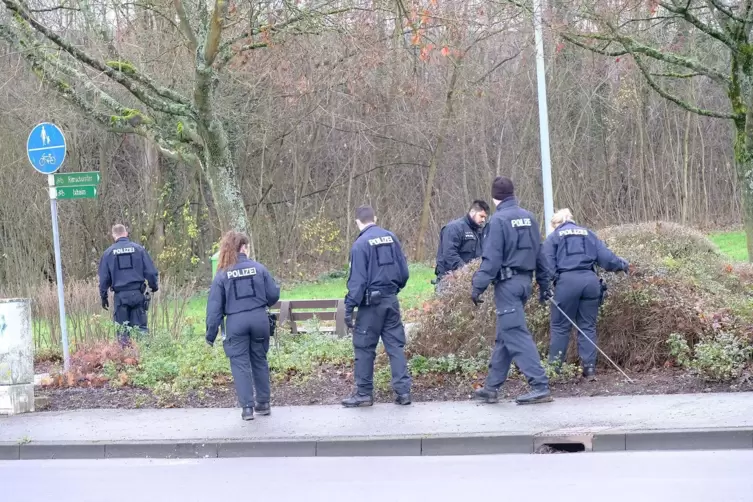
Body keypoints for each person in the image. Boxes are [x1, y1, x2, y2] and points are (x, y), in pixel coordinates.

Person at [470, 176, 553, 405]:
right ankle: (491, 387)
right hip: (524, 283)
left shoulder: (498, 221)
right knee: (505, 335)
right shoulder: (529, 217)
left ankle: (539, 385)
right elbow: (540, 255)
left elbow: (492, 259)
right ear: (513, 194)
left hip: (507, 285)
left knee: (515, 333)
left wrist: (477, 286)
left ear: (494, 197)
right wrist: (545, 285)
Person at [540, 208, 629, 380]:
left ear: (556, 224)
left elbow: (546, 264)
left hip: (566, 284)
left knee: (560, 327)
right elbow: (607, 259)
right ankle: (589, 370)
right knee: (587, 326)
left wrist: (547, 285)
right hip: (590, 282)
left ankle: (553, 371)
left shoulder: (554, 238)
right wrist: (622, 264)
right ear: (572, 220)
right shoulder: (588, 234)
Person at [205, 231, 280, 421]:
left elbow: (214, 307)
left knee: (240, 364)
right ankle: (263, 403)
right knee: (260, 360)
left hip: (235, 322)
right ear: (244, 248)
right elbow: (273, 295)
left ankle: (247, 408)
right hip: (259, 320)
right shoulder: (259, 268)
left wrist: (210, 335)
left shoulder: (222, 274)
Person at [341, 205, 412, 408]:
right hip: (390, 300)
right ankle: (403, 392)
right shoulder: (391, 238)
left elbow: (357, 281)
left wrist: (349, 307)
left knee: (364, 347)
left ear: (357, 222)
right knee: (395, 346)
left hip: (370, 305)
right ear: (375, 218)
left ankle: (363, 394)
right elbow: (404, 272)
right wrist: (394, 290)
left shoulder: (360, 244)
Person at [98, 224, 159, 347]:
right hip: (137, 294)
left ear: (114, 235)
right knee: (141, 329)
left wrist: (103, 296)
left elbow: (104, 279)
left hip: (120, 297)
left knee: (122, 331)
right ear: (126, 233)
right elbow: (151, 272)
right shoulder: (139, 250)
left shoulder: (108, 253)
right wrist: (154, 286)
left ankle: (125, 360)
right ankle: (144, 357)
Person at [434, 200, 490, 289]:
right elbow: (449, 254)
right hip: (449, 279)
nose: (483, 220)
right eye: (481, 216)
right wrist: (466, 270)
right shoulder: (454, 228)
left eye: (485, 217)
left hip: (470, 281)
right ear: (472, 212)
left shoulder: (480, 232)